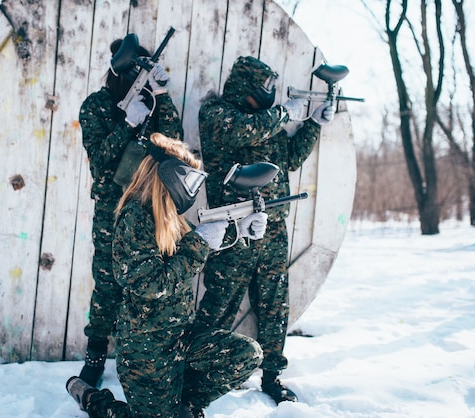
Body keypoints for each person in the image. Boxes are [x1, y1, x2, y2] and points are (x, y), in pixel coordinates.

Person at [67, 132, 266, 418]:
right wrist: (201, 242)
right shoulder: (134, 218)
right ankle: (93, 400)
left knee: (247, 354)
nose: (193, 189)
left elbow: (196, 259)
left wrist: (241, 232)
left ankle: (182, 407)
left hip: (182, 337)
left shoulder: (171, 217)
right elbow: (151, 283)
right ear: (170, 176)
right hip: (147, 351)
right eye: (191, 180)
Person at [195, 56, 335, 404]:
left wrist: (314, 123)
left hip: (270, 229)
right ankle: (193, 371)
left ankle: (272, 376)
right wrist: (286, 112)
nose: (269, 95)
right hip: (233, 230)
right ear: (245, 87)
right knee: (219, 305)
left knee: (274, 305)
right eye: (265, 88)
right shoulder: (216, 114)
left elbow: (289, 157)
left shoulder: (266, 123)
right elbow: (245, 129)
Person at [77, 34, 184, 388]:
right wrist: (127, 124)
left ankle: (135, 357)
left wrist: (162, 97)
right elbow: (99, 161)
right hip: (111, 207)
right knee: (107, 282)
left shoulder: (152, 105)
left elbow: (176, 143)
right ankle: (95, 355)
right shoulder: (96, 106)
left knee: (144, 284)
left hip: (149, 207)